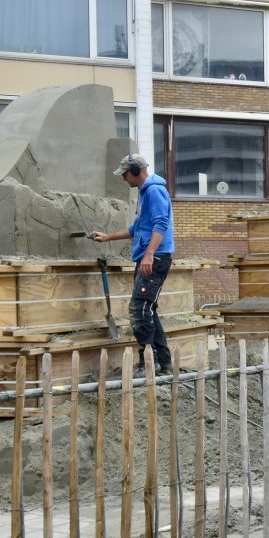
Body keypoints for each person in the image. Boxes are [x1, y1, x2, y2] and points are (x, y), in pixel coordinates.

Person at [92, 154, 174, 377]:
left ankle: (148, 363)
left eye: (125, 174)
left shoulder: (154, 191)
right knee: (148, 309)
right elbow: (136, 228)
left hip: (155, 258)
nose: (123, 178)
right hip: (150, 257)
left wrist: (149, 255)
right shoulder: (144, 192)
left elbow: (161, 224)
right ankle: (164, 364)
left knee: (139, 310)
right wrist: (108, 237)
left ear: (136, 171)